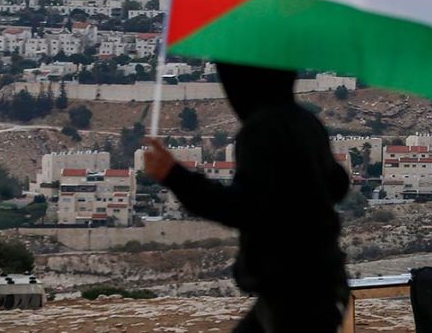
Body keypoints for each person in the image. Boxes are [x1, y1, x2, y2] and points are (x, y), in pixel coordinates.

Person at [142, 62, 350, 332]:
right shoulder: (306, 122)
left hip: (293, 290)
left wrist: (173, 175)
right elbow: (337, 184)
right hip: (316, 279)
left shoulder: (260, 130)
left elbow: (243, 208)